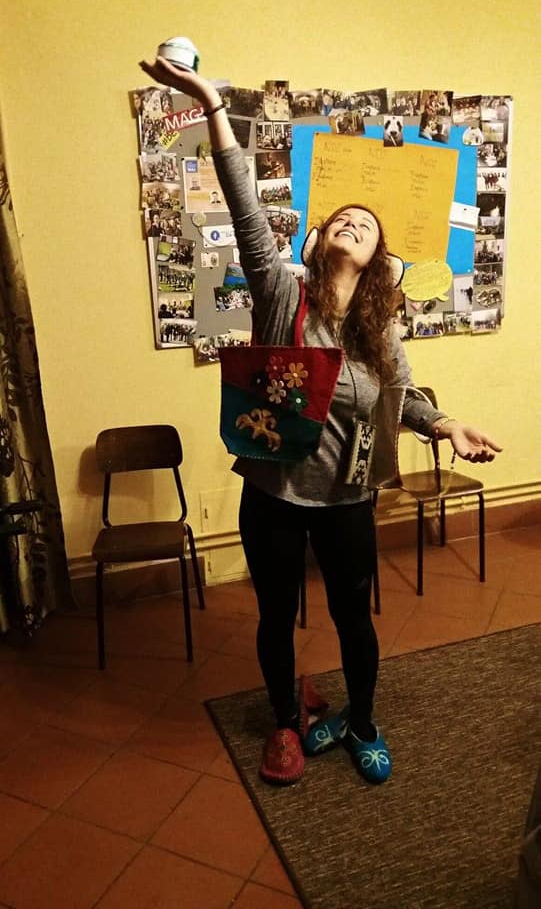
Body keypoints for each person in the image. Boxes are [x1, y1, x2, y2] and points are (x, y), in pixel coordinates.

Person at [140, 55, 502, 788]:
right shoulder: (282, 294)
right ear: (318, 241)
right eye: (342, 218)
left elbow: (403, 396)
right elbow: (245, 207)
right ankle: (285, 719)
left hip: (346, 499)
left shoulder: (380, 328)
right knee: (276, 616)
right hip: (273, 495)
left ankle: (361, 722)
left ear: (375, 260)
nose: (352, 223)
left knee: (352, 617)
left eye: (365, 225)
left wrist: (445, 425)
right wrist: (211, 104)